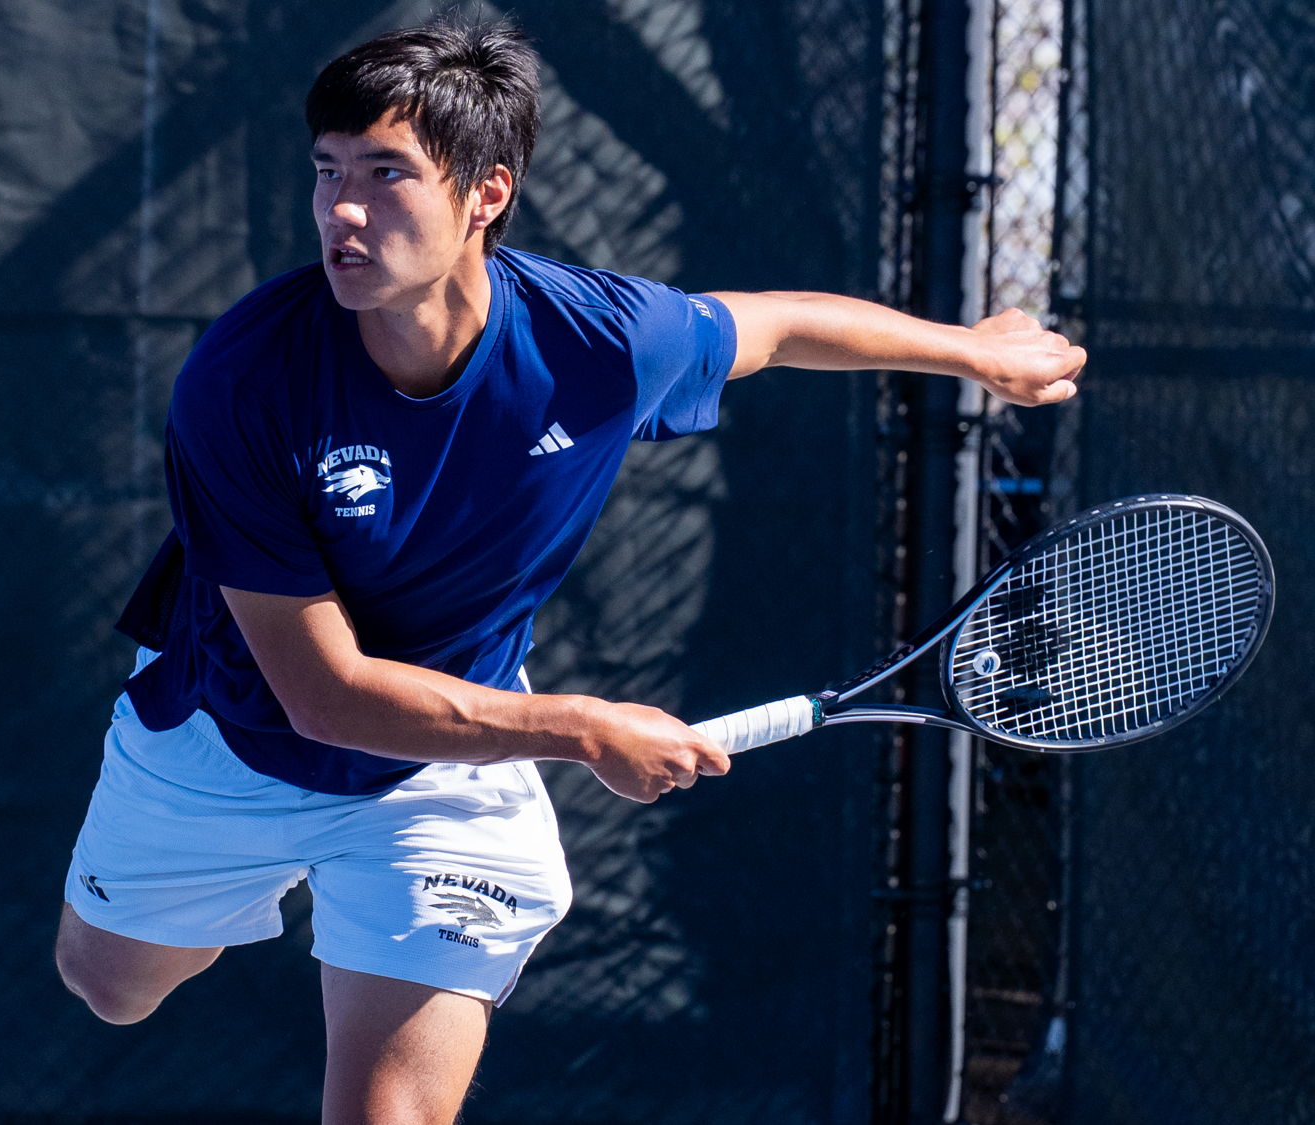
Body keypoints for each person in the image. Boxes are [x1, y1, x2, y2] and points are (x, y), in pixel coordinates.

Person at [54, 17, 1082, 1125]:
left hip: (441, 776)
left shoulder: (597, 340)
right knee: (109, 990)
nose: (341, 210)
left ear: (483, 194)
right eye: (326, 171)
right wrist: (583, 728)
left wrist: (974, 349)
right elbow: (324, 696)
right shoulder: (242, 381)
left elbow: (778, 327)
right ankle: (227, 892)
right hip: (234, 741)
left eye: (385, 174)